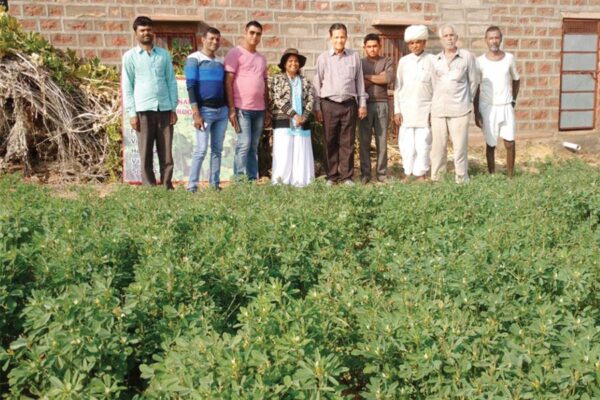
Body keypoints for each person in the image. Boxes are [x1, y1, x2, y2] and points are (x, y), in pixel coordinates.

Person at [122, 16, 178, 189]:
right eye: (142, 30)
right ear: (136, 33)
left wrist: (173, 108)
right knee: (145, 152)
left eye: (148, 30)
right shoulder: (130, 57)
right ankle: (149, 188)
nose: (146, 33)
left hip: (164, 110)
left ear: (152, 32)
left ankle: (167, 186)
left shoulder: (163, 55)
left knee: (166, 153)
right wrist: (132, 114)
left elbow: (171, 81)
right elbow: (128, 86)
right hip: (143, 111)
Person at [314, 23, 368, 186]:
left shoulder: (354, 56)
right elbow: (317, 83)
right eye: (336, 37)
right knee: (330, 141)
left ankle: (346, 176)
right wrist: (317, 107)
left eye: (342, 37)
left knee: (347, 141)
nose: (340, 40)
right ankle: (331, 176)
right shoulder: (323, 58)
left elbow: (360, 82)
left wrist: (362, 103)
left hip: (349, 104)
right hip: (329, 105)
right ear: (331, 38)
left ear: (346, 37)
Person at [430, 24, 477, 183]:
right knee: (438, 149)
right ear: (441, 40)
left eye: (452, 35)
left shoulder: (466, 57)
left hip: (460, 110)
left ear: (456, 38)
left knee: (459, 148)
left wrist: (467, 102)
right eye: (446, 36)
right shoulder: (436, 60)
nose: (449, 38)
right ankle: (437, 179)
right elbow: (433, 84)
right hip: (438, 111)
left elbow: (473, 83)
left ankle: (461, 179)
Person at [185, 27, 228, 192]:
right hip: (204, 112)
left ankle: (214, 184)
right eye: (211, 38)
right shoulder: (194, 59)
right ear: (202, 39)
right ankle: (192, 187)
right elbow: (191, 86)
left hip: (222, 112)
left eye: (217, 39)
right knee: (201, 149)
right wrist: (196, 114)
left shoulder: (220, 62)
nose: (214, 42)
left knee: (217, 149)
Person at [224, 20, 268, 181]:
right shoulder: (235, 53)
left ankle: (251, 180)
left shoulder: (261, 59)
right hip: (242, 108)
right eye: (252, 33)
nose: (255, 37)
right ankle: (239, 180)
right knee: (244, 144)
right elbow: (228, 81)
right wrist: (231, 109)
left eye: (258, 34)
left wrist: (267, 109)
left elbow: (265, 83)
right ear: (245, 32)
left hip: (259, 110)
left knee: (253, 147)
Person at [474, 26, 520, 178]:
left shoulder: (509, 58)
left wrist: (513, 99)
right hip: (488, 107)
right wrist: (476, 113)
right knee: (491, 143)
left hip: (506, 105)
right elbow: (476, 88)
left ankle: (510, 177)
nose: (494, 41)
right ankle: (492, 174)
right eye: (490, 38)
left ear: (501, 39)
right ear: (486, 40)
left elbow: (516, 79)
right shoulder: (479, 61)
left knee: (510, 142)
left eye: (496, 37)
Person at [394, 25, 435, 183]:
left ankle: (421, 174)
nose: (415, 46)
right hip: (406, 111)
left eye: (418, 42)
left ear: (424, 43)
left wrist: (433, 111)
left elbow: (436, 87)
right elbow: (398, 87)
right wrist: (397, 110)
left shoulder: (432, 60)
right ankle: (408, 172)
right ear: (408, 44)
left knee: (423, 144)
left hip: (425, 110)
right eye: (411, 43)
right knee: (406, 144)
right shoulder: (404, 62)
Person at [269, 48, 315, 187]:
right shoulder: (277, 79)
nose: (293, 63)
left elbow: (310, 99)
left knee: (301, 151)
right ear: (284, 64)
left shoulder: (305, 81)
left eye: (296, 61)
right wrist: (294, 115)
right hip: (283, 121)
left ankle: (301, 181)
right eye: (290, 61)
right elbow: (278, 98)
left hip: (302, 122)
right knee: (283, 152)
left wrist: (303, 117)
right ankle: (281, 182)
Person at [359, 33, 393, 184]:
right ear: (364, 48)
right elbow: (358, 84)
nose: (372, 49)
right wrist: (377, 77)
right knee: (364, 141)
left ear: (380, 46)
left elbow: (387, 79)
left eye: (375, 46)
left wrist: (366, 77)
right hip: (364, 104)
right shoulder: (359, 63)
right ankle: (365, 173)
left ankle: (382, 173)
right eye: (369, 47)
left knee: (382, 140)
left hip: (382, 104)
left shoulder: (387, 60)